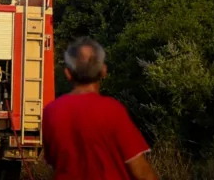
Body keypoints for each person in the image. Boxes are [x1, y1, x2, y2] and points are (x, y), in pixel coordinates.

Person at [42, 37, 159, 180]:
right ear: (103, 71)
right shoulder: (113, 110)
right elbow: (141, 171)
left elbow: (54, 162)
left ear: (67, 73)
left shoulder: (50, 112)